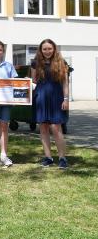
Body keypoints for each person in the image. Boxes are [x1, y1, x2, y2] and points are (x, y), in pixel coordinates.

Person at [31, 39, 70, 169]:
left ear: (54, 49)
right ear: (41, 50)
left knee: (56, 128)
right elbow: (34, 82)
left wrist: (66, 99)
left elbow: (65, 83)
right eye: (44, 49)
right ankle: (48, 158)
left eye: (49, 48)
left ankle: (62, 158)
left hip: (57, 97)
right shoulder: (35, 63)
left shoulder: (61, 62)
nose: (47, 51)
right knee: (43, 128)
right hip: (41, 98)